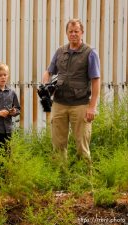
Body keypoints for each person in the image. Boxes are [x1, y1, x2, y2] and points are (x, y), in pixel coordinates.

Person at [42, 18, 100, 167]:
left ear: (82, 33)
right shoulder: (60, 51)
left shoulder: (90, 53)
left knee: (82, 145)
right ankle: (62, 181)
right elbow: (48, 71)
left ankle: (86, 182)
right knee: (58, 145)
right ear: (67, 33)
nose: (73, 34)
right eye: (70, 31)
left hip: (80, 104)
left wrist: (92, 107)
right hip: (59, 104)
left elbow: (95, 80)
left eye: (76, 31)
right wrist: (45, 86)